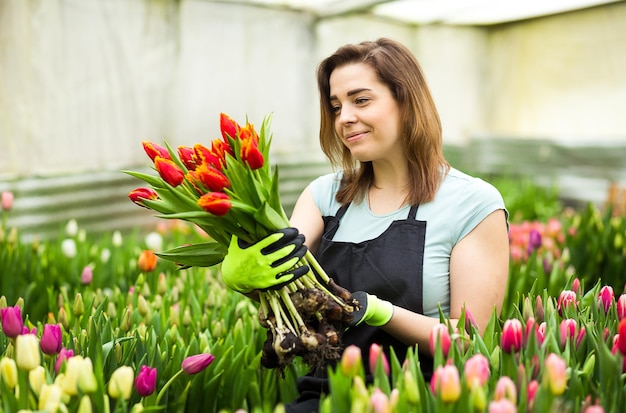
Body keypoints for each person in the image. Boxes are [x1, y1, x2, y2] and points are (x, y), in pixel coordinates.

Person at [221, 38, 510, 412]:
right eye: (336, 106)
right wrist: (244, 277)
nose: (344, 118)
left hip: (422, 396)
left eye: (361, 100)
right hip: (326, 395)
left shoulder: (472, 203)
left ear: (406, 101)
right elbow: (286, 288)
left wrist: (381, 311)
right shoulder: (325, 196)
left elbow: (470, 340)